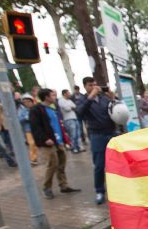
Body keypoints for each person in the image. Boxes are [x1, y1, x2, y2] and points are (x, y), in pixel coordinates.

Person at [29, 88, 81, 199]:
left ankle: (63, 185)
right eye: (52, 95)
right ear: (46, 97)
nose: (54, 97)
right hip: (47, 142)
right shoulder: (37, 109)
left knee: (61, 163)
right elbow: (35, 127)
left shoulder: (52, 109)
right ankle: (46, 187)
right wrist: (44, 139)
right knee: (52, 164)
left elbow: (58, 125)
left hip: (58, 141)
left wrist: (65, 139)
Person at [77, 77, 117, 205]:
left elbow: (117, 111)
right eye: (90, 85)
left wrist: (113, 98)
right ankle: (100, 191)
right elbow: (79, 113)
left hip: (111, 133)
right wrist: (90, 97)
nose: (94, 87)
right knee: (99, 165)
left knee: (116, 163)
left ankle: (117, 190)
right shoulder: (83, 99)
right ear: (85, 87)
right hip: (97, 135)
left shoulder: (104, 98)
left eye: (95, 84)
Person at [17, 94, 39, 165]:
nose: (27, 103)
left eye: (28, 101)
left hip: (36, 129)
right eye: (25, 102)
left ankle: (37, 157)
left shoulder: (35, 108)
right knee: (31, 144)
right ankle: (33, 159)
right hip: (28, 130)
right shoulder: (22, 110)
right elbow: (20, 119)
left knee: (37, 144)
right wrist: (27, 117)